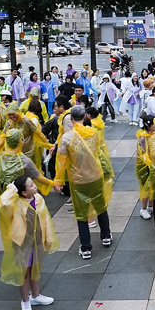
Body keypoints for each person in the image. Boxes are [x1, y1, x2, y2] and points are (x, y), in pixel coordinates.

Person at [54, 105, 114, 259]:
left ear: (71, 118)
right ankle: (106, 236)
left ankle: (86, 247)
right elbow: (101, 153)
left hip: (77, 179)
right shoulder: (93, 133)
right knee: (100, 206)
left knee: (81, 213)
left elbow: (60, 161)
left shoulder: (66, 138)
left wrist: (58, 180)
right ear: (86, 116)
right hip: (95, 175)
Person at [0, 176, 58, 310]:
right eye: (31, 185)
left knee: (35, 268)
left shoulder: (38, 199)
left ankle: (35, 295)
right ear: (24, 193)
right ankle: (25, 300)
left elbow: (45, 219)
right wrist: (10, 190)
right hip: (22, 243)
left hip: (37, 240)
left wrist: (48, 238)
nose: (35, 186)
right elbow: (3, 203)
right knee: (24, 272)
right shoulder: (15, 203)